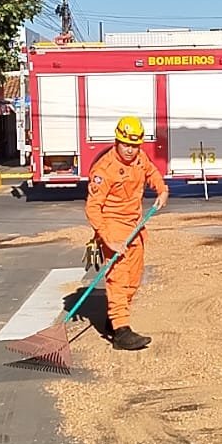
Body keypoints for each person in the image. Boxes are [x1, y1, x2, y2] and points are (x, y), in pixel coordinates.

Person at [85, 115, 169, 351]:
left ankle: (114, 319)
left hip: (135, 227)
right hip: (113, 227)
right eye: (126, 145)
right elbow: (92, 208)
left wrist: (162, 190)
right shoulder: (105, 169)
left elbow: (152, 172)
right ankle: (121, 331)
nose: (130, 150)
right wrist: (106, 238)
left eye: (135, 145)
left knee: (134, 279)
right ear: (117, 141)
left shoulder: (140, 158)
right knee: (119, 279)